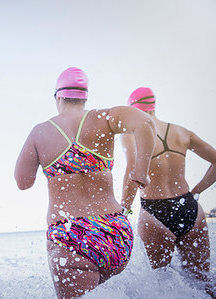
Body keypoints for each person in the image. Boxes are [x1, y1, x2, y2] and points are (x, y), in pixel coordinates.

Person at [14, 67, 156, 298]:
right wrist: (142, 168)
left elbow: (23, 182)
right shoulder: (105, 118)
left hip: (71, 236)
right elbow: (145, 123)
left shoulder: (40, 132)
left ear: (58, 97)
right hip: (115, 233)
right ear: (85, 96)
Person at [121, 87, 216, 293]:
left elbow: (131, 171)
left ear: (133, 110)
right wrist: (197, 191)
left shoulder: (131, 135)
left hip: (155, 213)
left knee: (161, 285)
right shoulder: (182, 132)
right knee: (202, 280)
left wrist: (124, 209)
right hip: (189, 207)